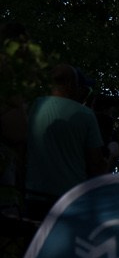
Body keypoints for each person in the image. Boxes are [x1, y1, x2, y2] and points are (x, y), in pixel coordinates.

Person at [22, 64, 107, 213]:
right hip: (70, 200)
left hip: (33, 196)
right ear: (70, 85)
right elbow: (95, 164)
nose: (83, 94)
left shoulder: (35, 106)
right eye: (81, 88)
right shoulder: (86, 115)